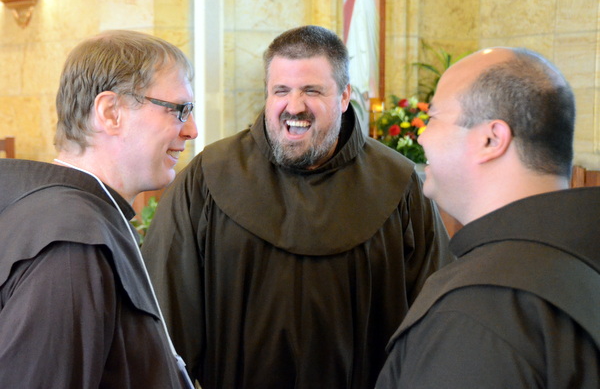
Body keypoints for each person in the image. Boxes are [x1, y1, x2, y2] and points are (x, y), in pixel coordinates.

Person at [142, 25, 452, 389]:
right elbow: (164, 318)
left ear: (343, 96)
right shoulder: (208, 178)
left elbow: (437, 320)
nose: (294, 106)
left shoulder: (398, 184)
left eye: (312, 90)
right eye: (281, 91)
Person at [376, 47, 600, 388]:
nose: (421, 135)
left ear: (491, 139)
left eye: (434, 118)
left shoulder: (478, 313)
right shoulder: (580, 259)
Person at [0, 30, 198, 388]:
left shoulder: (84, 215)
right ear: (111, 112)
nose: (193, 131)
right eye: (179, 110)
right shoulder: (71, 245)